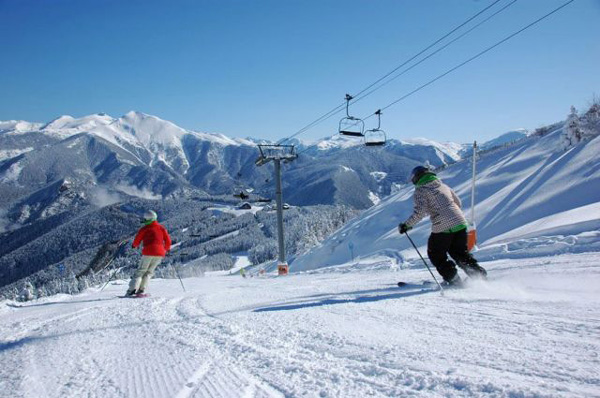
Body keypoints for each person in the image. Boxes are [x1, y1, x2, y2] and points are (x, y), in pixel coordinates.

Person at [398, 166, 487, 285]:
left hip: (443, 225)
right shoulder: (443, 186)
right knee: (460, 253)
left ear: (417, 178)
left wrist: (406, 225)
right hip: (460, 222)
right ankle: (478, 276)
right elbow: (458, 203)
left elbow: (420, 212)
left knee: (435, 253)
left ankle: (454, 280)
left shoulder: (420, 191)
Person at [126, 210, 171, 296]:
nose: (144, 220)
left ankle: (132, 290)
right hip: (160, 253)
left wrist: (134, 245)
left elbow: (137, 239)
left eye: (145, 219)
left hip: (148, 252)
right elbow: (168, 240)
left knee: (141, 271)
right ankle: (142, 289)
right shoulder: (162, 228)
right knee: (149, 272)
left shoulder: (145, 229)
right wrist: (167, 248)